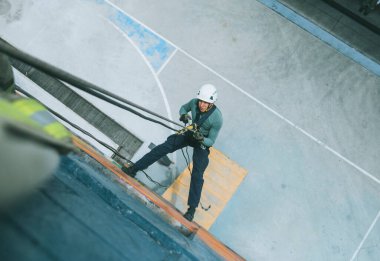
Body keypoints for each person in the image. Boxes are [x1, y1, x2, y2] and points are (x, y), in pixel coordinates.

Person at [122, 84, 223, 221]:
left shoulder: (217, 118)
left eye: (206, 103)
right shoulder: (194, 103)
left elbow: (211, 141)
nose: (202, 105)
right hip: (190, 133)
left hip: (201, 143)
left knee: (198, 174)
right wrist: (183, 116)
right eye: (201, 101)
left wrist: (201, 139)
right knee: (163, 147)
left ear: (212, 102)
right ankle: (134, 169)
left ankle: (191, 210)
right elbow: (183, 108)